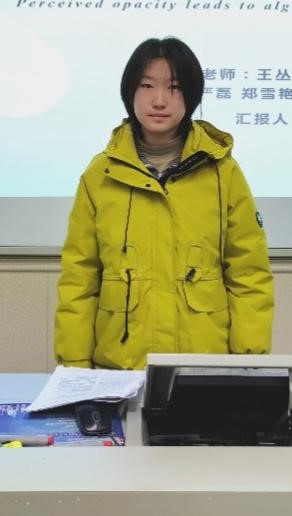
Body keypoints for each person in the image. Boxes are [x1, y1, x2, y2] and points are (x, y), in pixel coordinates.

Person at [54, 37, 274, 369]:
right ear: (130, 92)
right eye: (146, 86)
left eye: (174, 87)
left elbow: (249, 276)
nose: (159, 100)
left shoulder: (222, 173)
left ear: (192, 95)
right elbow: (79, 280)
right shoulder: (101, 174)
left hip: (203, 369)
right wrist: (75, 368)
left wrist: (247, 367)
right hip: (121, 369)